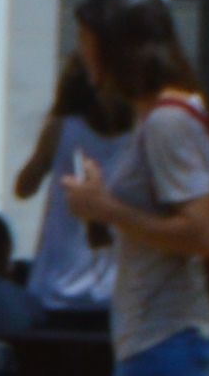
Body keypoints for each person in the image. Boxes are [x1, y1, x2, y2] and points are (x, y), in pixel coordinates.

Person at [50, 0, 209, 376]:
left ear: (116, 47)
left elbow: (201, 233)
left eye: (89, 42)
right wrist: (100, 207)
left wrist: (107, 208)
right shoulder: (157, 119)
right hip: (151, 340)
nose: (83, 55)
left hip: (165, 338)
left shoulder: (168, 123)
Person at [11, 43, 132, 321]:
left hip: (56, 286)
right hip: (115, 291)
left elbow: (23, 187)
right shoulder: (138, 134)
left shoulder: (62, 128)